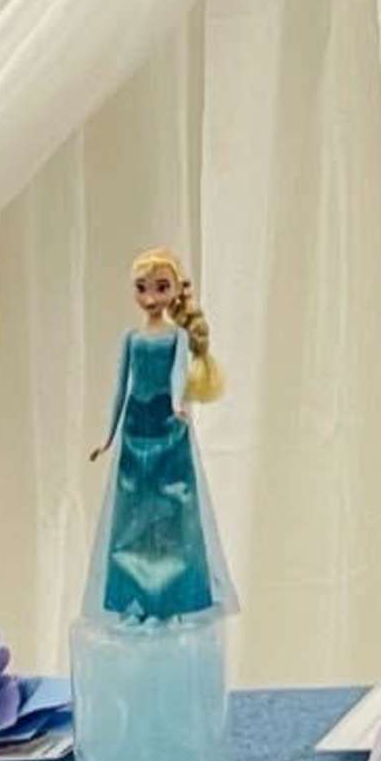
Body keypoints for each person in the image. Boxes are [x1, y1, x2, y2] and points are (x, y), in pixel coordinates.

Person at [84, 246, 231, 626]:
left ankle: (173, 601)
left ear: (174, 291)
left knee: (173, 515)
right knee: (131, 517)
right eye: (142, 288)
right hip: (135, 427)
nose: (150, 298)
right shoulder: (132, 339)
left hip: (167, 428)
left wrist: (180, 405)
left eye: (160, 288)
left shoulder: (177, 337)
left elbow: (176, 374)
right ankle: (134, 601)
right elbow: (121, 387)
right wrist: (109, 437)